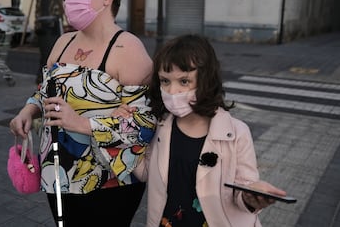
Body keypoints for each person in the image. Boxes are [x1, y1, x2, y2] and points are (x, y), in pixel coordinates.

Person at [9, 0, 156, 227]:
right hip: (56, 173)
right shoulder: (63, 41)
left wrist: (81, 124)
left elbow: (143, 126)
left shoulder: (128, 49)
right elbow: (45, 89)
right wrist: (28, 110)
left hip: (107, 182)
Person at [121, 34, 287, 227]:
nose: (172, 91)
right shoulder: (160, 125)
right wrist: (124, 131)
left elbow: (244, 189)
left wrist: (252, 196)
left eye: (184, 81)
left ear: (206, 80)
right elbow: (146, 173)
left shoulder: (237, 132)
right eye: (165, 81)